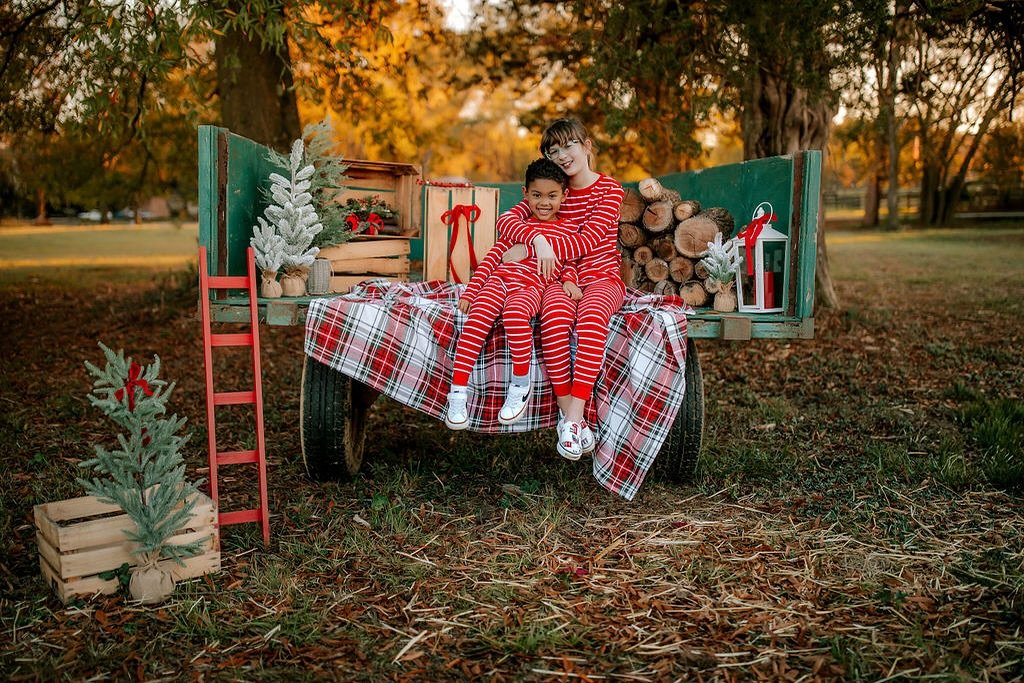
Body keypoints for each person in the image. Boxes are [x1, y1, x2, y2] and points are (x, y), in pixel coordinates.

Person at [494, 118, 625, 461]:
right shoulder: (553, 190)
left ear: (587, 145)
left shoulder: (609, 190)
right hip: (555, 281)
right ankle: (573, 420)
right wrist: (536, 237)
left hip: (599, 278)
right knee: (552, 322)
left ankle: (572, 417)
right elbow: (505, 221)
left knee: (592, 318)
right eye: (554, 150)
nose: (563, 155)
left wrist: (537, 246)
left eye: (569, 145)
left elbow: (588, 240)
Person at [444, 158, 583, 430]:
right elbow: (492, 258)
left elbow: (569, 261)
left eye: (552, 196)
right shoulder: (518, 226)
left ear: (564, 195)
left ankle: (520, 383)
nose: (544, 202)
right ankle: (458, 392)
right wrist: (472, 292)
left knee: (514, 314)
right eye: (537, 195)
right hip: (499, 283)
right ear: (525, 194)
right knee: (475, 322)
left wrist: (569, 280)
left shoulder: (567, 230)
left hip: (532, 288)